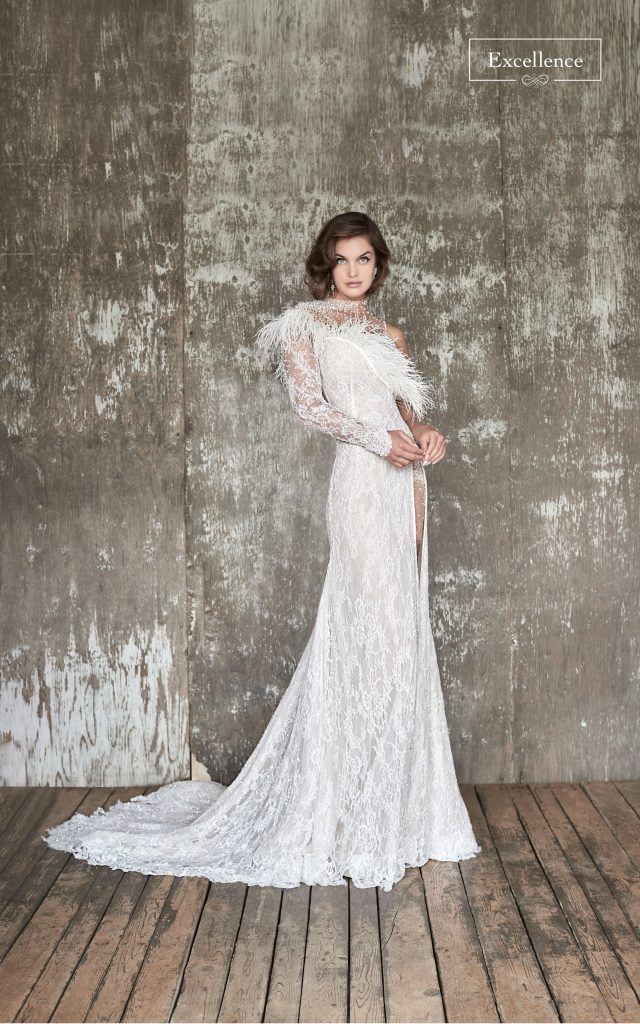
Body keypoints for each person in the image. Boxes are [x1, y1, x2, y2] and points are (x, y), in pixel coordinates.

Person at [42, 211, 480, 891]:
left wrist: (426, 434)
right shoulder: (303, 327)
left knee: (402, 638)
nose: (354, 271)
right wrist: (379, 440)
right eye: (343, 259)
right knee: (369, 634)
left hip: (408, 485)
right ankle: (344, 811)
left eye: (365, 259)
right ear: (326, 266)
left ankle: (392, 809)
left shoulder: (389, 334)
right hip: (363, 483)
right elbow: (311, 408)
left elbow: (405, 411)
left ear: (379, 264)